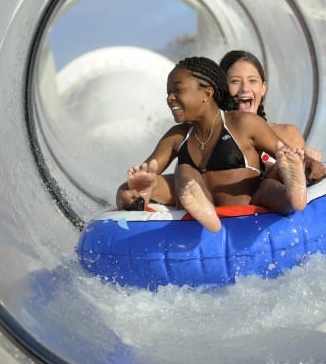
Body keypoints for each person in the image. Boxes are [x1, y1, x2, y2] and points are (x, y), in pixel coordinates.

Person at [116, 56, 309, 233]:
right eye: (168, 93)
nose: (169, 98)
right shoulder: (177, 136)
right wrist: (135, 190)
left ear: (206, 93)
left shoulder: (242, 123)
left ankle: (294, 196)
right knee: (183, 171)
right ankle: (199, 205)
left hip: (250, 202)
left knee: (270, 185)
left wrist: (301, 164)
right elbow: (145, 173)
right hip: (202, 209)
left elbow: (288, 153)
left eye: (177, 90)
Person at [219, 49, 323, 162]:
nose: (244, 88)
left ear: (263, 88)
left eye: (252, 81)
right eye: (235, 81)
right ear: (221, 88)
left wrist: (310, 161)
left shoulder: (288, 134)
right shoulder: (209, 140)